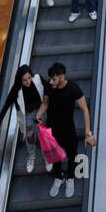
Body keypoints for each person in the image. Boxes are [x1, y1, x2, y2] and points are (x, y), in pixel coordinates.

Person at [36, 62, 96, 199]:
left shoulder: (73, 88)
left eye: (54, 79)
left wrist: (88, 133)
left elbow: (85, 110)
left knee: (72, 155)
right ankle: (58, 178)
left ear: (62, 77)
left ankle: (70, 178)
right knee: (54, 155)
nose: (51, 82)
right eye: (50, 79)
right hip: (52, 128)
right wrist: (39, 114)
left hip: (68, 129)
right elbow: (45, 103)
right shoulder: (50, 88)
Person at [0, 64, 49, 175]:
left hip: (40, 111)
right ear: (20, 80)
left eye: (29, 78)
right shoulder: (16, 90)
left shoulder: (38, 79)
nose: (28, 82)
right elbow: (6, 105)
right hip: (27, 115)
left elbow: (49, 89)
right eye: (24, 80)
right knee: (29, 135)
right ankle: (31, 154)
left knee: (43, 133)